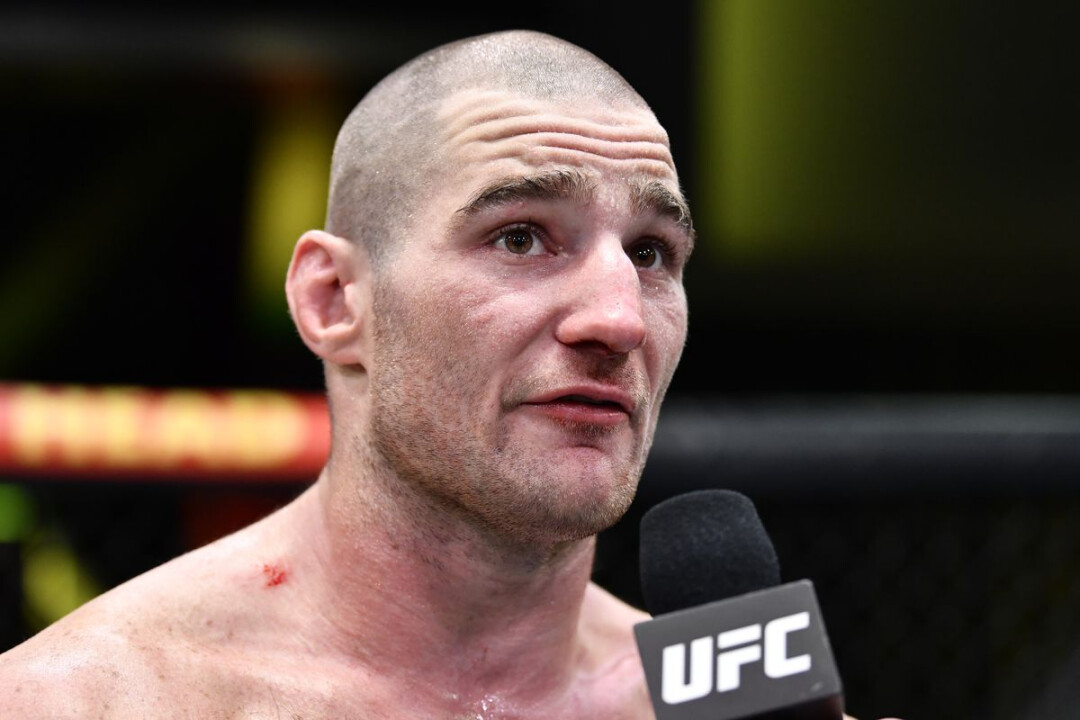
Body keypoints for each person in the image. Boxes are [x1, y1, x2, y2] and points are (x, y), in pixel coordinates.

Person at [0, 30, 890, 719]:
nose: (619, 319)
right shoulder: (92, 700)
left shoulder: (722, 708)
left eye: (652, 252)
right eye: (521, 237)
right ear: (335, 300)